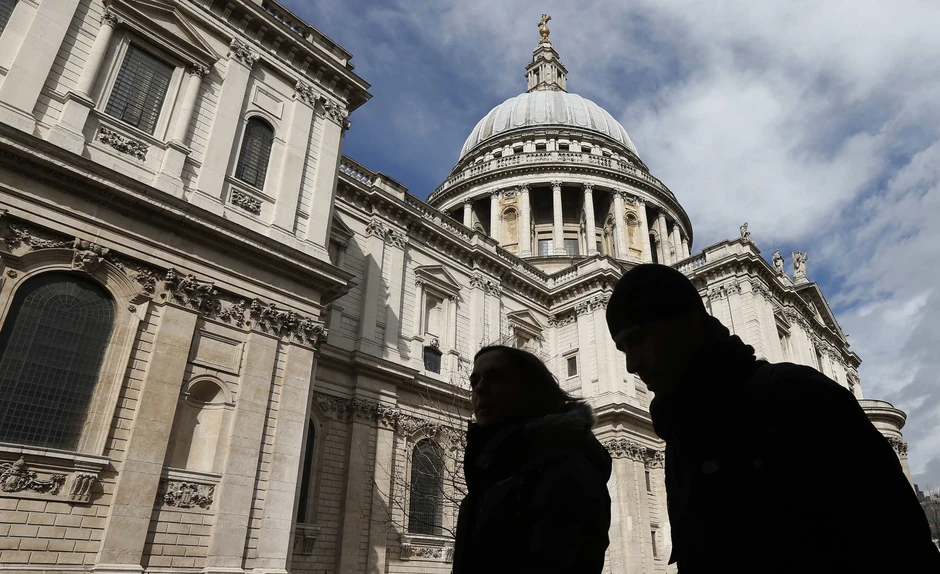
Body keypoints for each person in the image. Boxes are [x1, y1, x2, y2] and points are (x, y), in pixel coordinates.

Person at [605, 264, 940, 572]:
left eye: (638, 339)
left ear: (687, 322)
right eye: (623, 350)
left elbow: (898, 541)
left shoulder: (800, 400)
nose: (632, 365)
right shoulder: (682, 430)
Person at [453, 345, 611, 574]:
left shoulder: (565, 467)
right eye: (474, 381)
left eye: (497, 378)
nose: (480, 389)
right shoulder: (494, 468)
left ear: (531, 390)